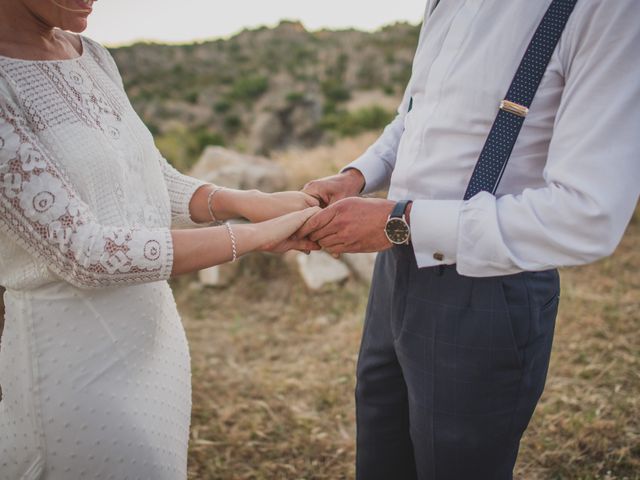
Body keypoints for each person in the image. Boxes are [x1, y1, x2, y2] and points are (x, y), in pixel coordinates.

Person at [298, 0, 640, 479]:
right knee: (380, 454)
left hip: (489, 291)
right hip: (393, 270)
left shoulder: (603, 9)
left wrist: (400, 222)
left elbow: (589, 214)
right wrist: (357, 175)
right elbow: (413, 115)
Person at [0, 1, 320, 478]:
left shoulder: (92, 56)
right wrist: (253, 236)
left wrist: (251, 200)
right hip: (73, 364)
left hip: (155, 339)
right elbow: (86, 253)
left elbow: (146, 180)